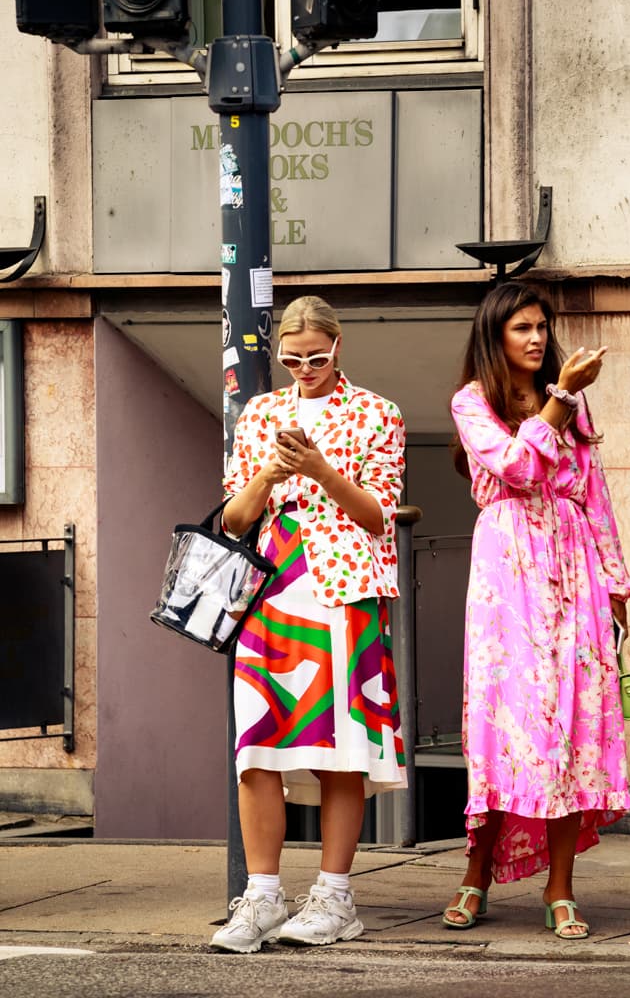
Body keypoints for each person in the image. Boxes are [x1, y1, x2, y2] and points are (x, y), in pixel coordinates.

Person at [443, 281, 630, 939]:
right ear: (495, 336)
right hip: (508, 573)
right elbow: (516, 467)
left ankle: (561, 888)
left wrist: (615, 588)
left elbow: (595, 495)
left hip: (576, 570)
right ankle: (476, 875)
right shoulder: (472, 402)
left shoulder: (570, 404)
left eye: (541, 326)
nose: (535, 338)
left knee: (573, 729)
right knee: (508, 728)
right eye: (521, 327)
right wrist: (559, 398)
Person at [211, 295, 407, 952]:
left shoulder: (378, 413)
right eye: (291, 360)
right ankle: (262, 897)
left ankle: (334, 895)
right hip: (272, 588)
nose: (304, 370)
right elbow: (234, 520)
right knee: (258, 743)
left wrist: (321, 469)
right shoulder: (262, 413)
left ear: (339, 346)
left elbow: (379, 515)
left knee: (341, 748)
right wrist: (270, 471)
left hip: (344, 588)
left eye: (316, 359)